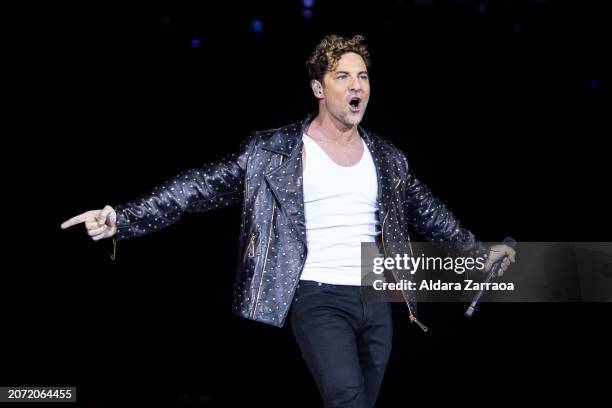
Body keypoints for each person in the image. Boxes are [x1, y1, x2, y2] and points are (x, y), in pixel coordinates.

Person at [61, 34, 515, 408]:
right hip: (317, 297)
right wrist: (125, 216)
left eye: (362, 75)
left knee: (363, 403)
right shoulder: (273, 152)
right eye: (342, 76)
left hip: (376, 298)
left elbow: (429, 211)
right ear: (319, 89)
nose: (356, 84)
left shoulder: (388, 158)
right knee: (345, 397)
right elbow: (197, 187)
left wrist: (476, 250)